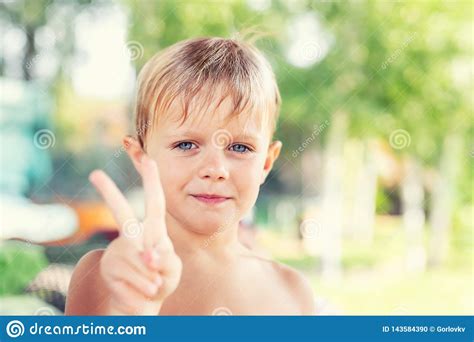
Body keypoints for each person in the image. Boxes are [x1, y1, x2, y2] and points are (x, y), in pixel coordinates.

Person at [65, 37, 315, 315]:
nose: (215, 169)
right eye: (186, 145)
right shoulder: (104, 279)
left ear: (266, 164)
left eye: (240, 147)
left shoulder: (292, 293)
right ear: (140, 156)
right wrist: (131, 316)